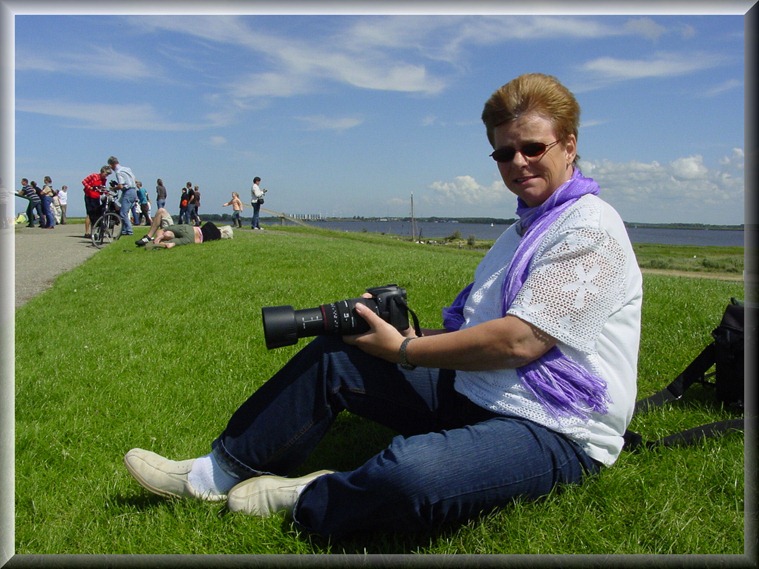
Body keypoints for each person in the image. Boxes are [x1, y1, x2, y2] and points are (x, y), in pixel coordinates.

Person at [123, 73, 642, 539]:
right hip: (480, 390)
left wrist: (405, 351)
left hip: (558, 426)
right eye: (504, 153)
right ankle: (218, 471)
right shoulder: (523, 229)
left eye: (532, 147)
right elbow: (486, 328)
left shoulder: (589, 227)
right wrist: (404, 337)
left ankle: (312, 494)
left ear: (568, 146)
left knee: (413, 474)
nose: (518, 163)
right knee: (338, 353)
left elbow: (520, 340)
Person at [134, 207, 232, 249]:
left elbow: (168, 235)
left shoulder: (210, 227)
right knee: (167, 233)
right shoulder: (212, 237)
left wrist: (160, 237)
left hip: (190, 230)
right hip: (192, 237)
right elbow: (171, 243)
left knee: (161, 211)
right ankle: (152, 237)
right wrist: (159, 240)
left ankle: (149, 237)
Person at [107, 156, 138, 236]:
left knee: (123, 213)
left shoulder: (118, 172)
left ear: (111, 164)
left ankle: (129, 230)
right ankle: (124, 230)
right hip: (133, 190)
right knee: (123, 211)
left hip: (127, 191)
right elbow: (134, 180)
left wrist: (113, 188)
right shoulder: (127, 169)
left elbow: (121, 186)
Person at [82, 166, 112, 238]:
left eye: (107, 175)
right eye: (106, 174)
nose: (106, 176)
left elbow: (102, 189)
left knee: (96, 214)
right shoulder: (94, 176)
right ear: (102, 172)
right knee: (89, 214)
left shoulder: (104, 180)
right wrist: (90, 187)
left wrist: (107, 193)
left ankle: (93, 231)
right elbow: (84, 181)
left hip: (96, 197)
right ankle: (87, 232)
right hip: (89, 196)